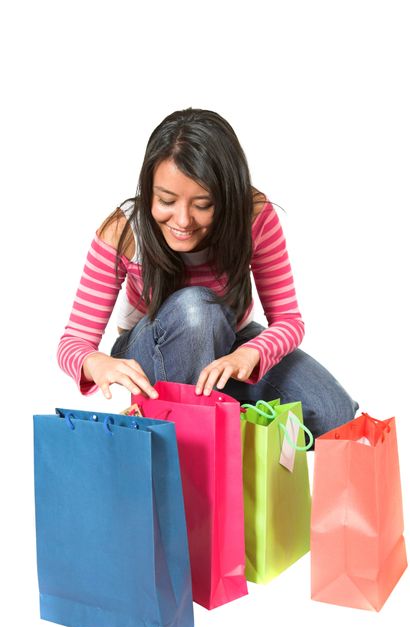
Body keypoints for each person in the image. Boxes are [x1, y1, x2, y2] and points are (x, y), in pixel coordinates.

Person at [57, 107, 358, 438]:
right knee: (195, 308)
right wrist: (97, 363)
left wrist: (251, 353)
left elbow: (289, 321)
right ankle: (192, 435)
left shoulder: (253, 218)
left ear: (227, 197)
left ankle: (216, 417)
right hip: (148, 351)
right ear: (148, 190)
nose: (183, 221)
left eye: (203, 205)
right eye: (166, 200)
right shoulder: (125, 230)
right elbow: (73, 341)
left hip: (231, 342)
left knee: (333, 415)